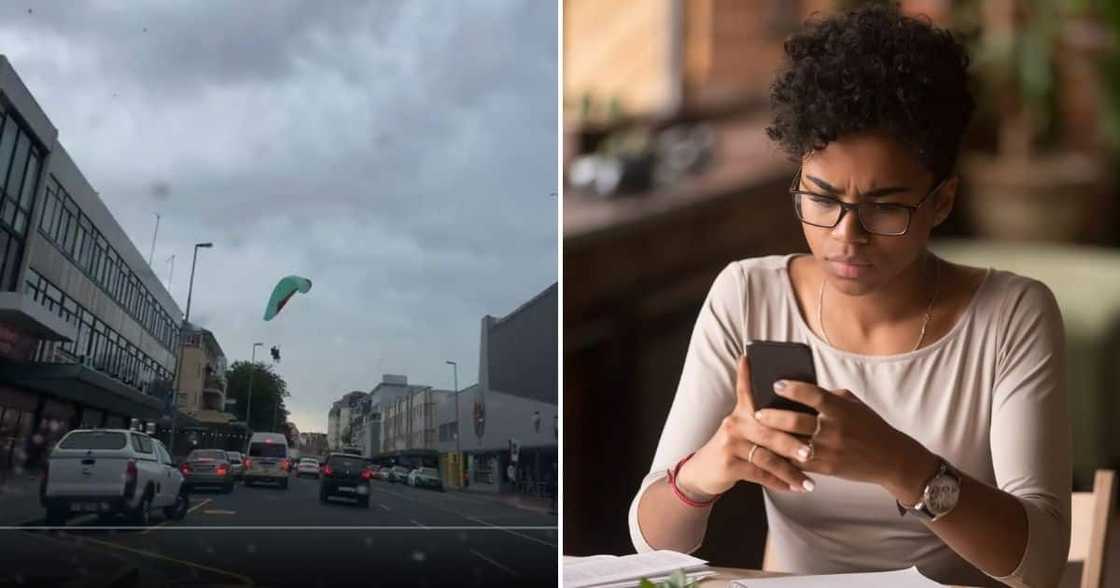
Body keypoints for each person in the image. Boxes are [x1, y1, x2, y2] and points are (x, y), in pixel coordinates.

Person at [628, 5, 1070, 588]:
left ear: (941, 201)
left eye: (884, 206)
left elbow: (1038, 568)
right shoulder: (748, 295)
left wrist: (900, 464)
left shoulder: (1012, 316)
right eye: (821, 197)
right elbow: (651, 543)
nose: (846, 235)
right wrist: (708, 468)